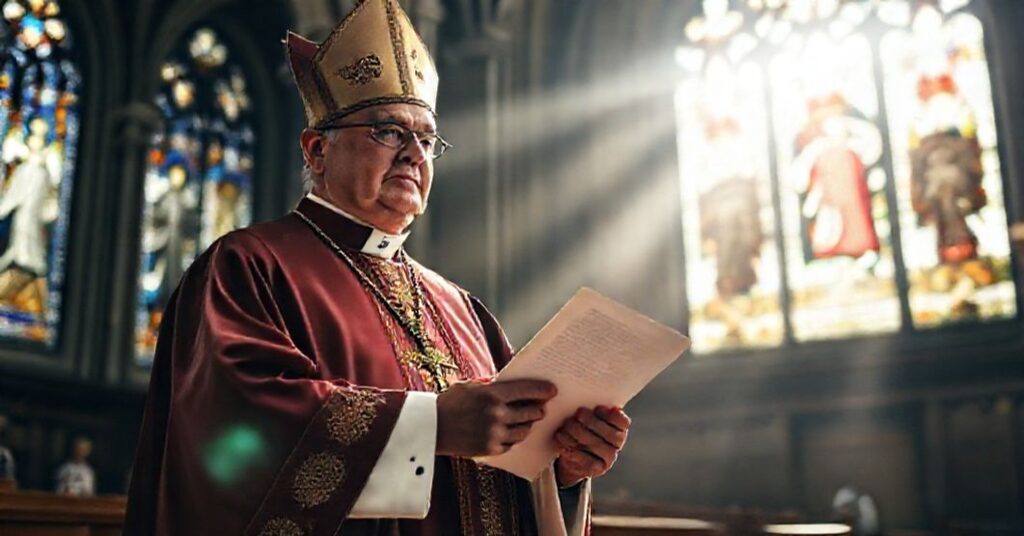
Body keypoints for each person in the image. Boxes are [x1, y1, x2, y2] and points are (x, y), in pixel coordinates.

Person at [123, 1, 631, 534]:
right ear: (317, 150)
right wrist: (432, 424)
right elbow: (233, 427)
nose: (416, 153)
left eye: (428, 139)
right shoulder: (249, 268)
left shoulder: (463, 309)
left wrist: (564, 470)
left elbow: (510, 473)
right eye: (390, 131)